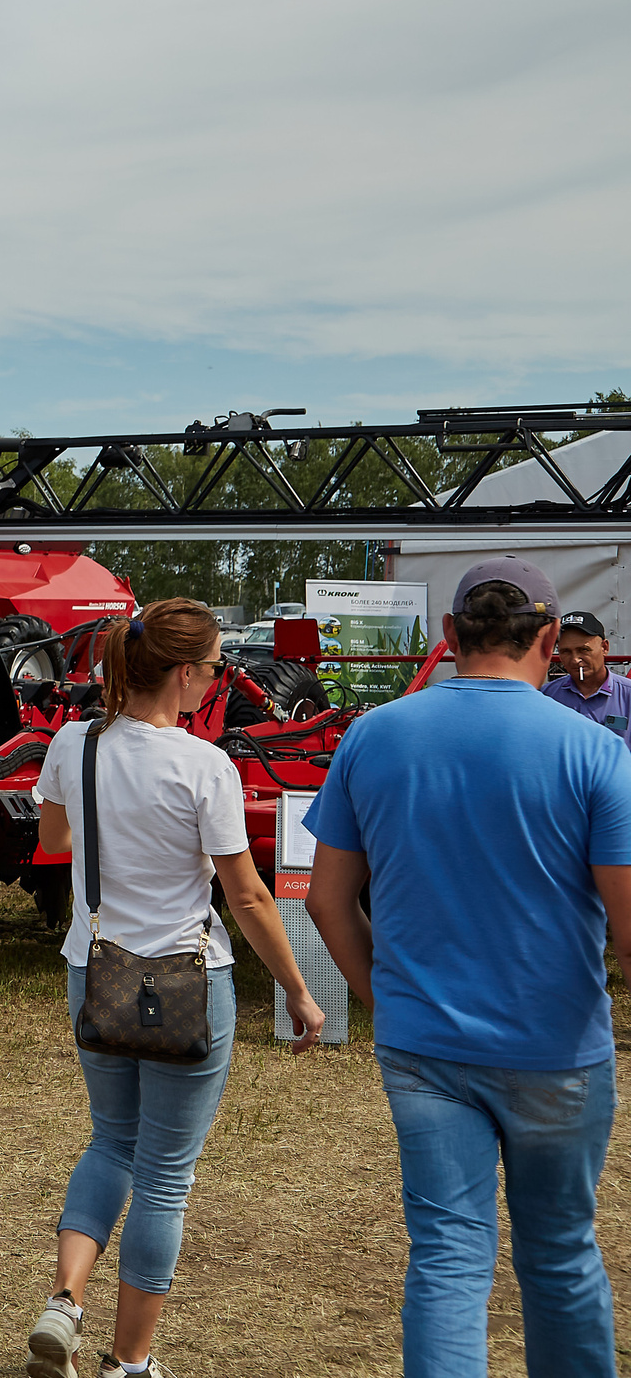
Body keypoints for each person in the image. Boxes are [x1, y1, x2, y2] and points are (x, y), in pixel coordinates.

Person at [306, 557, 631, 1377]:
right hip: (557, 1047)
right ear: (552, 640)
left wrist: (384, 998)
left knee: (448, 1259)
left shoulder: (375, 734)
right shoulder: (597, 751)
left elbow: (326, 900)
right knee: (560, 1255)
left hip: (426, 1048)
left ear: (449, 637)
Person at [26, 597, 326, 1378]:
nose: (219, 677)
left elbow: (53, 840)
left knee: (109, 1139)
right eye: (219, 664)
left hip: (95, 967)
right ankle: (130, 1363)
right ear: (187, 674)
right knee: (163, 1174)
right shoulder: (206, 766)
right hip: (188, 980)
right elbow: (249, 897)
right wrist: (297, 988)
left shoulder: (72, 743)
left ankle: (65, 1300)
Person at [543, 610, 630, 743]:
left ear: (604, 647)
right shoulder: (547, 696)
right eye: (566, 651)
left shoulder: (627, 695)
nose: (575, 659)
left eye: (584, 650)